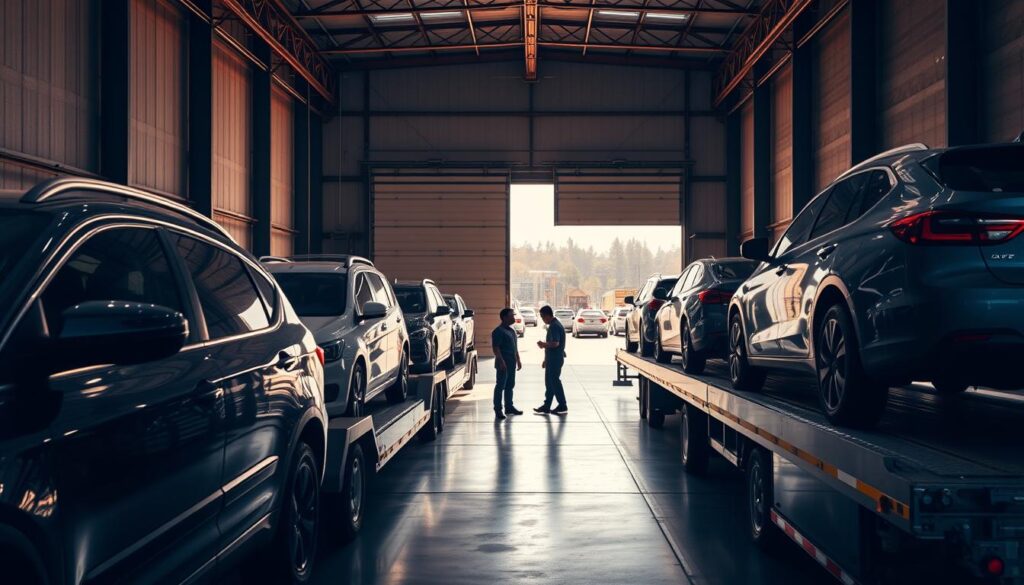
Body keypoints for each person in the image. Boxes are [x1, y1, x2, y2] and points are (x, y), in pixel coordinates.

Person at [534, 305, 568, 415]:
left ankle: (562, 405)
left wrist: (543, 344)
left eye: (542, 317)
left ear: (547, 315)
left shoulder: (554, 326)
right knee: (549, 383)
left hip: (555, 359)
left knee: (555, 382)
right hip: (551, 359)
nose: (542, 319)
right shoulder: (553, 325)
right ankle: (547, 405)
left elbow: (555, 343)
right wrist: (545, 359)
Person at [491, 308, 523, 420]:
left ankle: (509, 407)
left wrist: (518, 360)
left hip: (512, 362)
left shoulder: (512, 331)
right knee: (500, 386)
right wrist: (501, 361)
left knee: (510, 385)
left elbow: (515, 347)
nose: (513, 318)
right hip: (503, 363)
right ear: (504, 317)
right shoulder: (498, 331)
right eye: (511, 316)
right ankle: (498, 409)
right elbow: (496, 348)